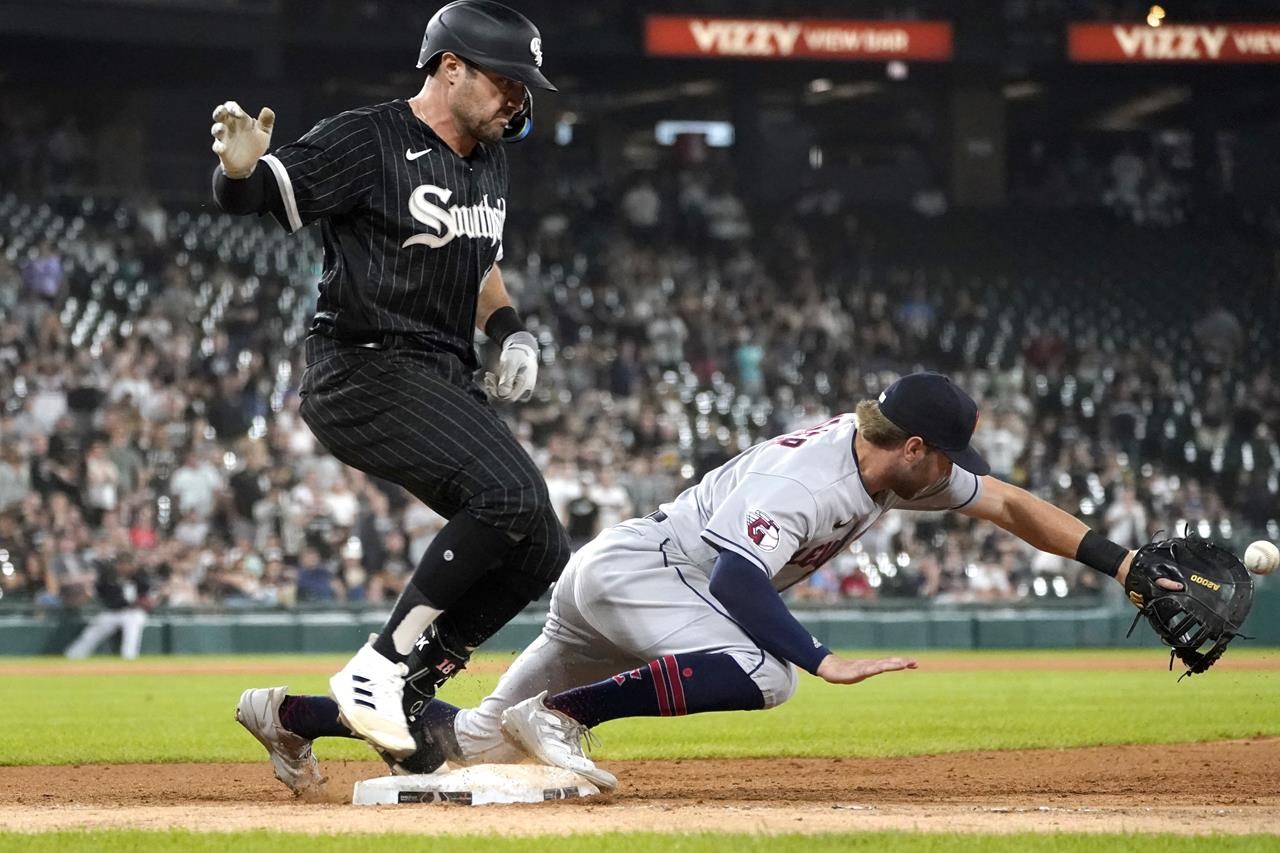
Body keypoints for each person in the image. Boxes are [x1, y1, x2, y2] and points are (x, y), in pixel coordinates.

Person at [236, 372, 1183, 794]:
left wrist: (1126, 563)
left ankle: (286, 714)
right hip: (647, 576)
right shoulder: (810, 480)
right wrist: (818, 656)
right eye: (948, 460)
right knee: (766, 671)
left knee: (470, 750)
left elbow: (1011, 505)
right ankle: (568, 716)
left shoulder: (890, 462)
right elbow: (737, 575)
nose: (954, 476)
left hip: (628, 588)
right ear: (918, 448)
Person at [212, 0, 569, 759]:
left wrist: (511, 332)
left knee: (540, 546)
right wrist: (235, 171)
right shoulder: (366, 137)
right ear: (449, 68)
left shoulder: (489, 155)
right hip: (361, 365)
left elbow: (478, 257)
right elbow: (261, 193)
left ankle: (333, 711)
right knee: (508, 495)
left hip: (439, 368)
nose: (518, 98)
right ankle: (378, 665)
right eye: (506, 81)